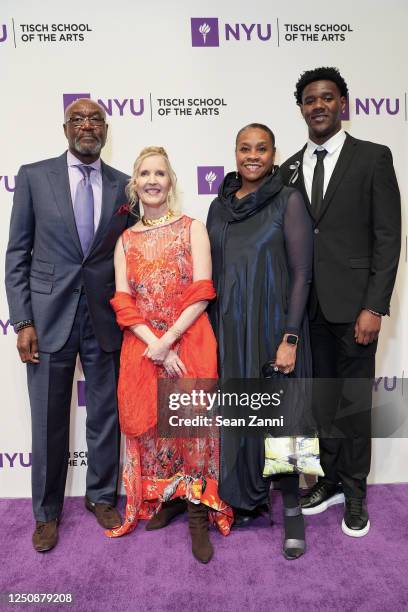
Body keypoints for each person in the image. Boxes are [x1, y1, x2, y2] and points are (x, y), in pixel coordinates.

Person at [5, 98, 131, 552]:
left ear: (106, 129)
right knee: (48, 422)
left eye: (96, 119)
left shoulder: (123, 185)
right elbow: (17, 254)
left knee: (104, 416)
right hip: (48, 318)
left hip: (104, 319)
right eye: (78, 119)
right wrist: (22, 320)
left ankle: (101, 497)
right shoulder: (34, 177)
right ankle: (46, 513)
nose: (87, 126)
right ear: (65, 129)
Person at [280, 67, 401, 537]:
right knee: (320, 402)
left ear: (343, 103)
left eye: (327, 97)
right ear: (302, 108)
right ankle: (326, 480)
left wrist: (375, 306)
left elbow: (388, 238)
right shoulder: (289, 167)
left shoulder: (373, 158)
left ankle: (354, 490)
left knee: (352, 404)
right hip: (305, 312)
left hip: (354, 310)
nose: (318, 105)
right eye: (310, 99)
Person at [108, 146, 232, 563]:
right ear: (135, 183)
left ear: (171, 181)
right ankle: (171, 498)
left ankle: (197, 514)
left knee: (192, 433)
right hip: (144, 348)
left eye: (160, 173)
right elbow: (123, 302)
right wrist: (155, 345)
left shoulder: (192, 228)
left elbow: (203, 290)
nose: (153, 180)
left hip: (190, 339)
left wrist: (170, 340)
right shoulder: (125, 239)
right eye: (145, 173)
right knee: (156, 433)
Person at [207, 124, 314, 559]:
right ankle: (247, 500)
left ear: (274, 154)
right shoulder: (218, 207)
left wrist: (289, 337)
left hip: (273, 327)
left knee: (282, 418)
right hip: (230, 329)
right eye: (245, 148)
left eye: (262, 148)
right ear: (234, 153)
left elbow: (303, 273)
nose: (253, 155)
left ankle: (292, 510)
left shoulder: (288, 200)